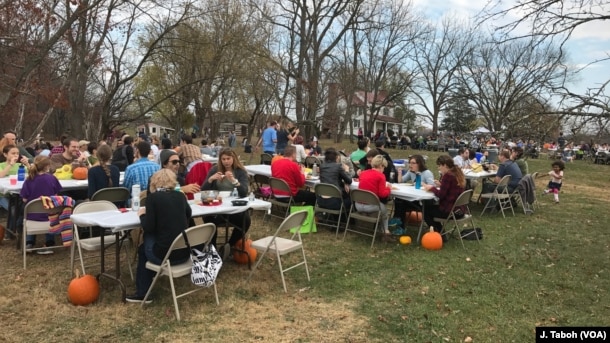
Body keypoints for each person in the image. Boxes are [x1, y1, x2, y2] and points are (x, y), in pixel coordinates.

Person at [126, 169, 192, 303]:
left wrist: (142, 215)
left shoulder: (153, 198)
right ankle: (149, 281)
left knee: (144, 246)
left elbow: (148, 227)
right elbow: (188, 215)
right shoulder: (180, 196)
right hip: (184, 254)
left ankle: (143, 292)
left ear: (154, 183)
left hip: (164, 257)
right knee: (157, 239)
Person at [201, 148, 250, 258]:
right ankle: (212, 249)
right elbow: (203, 191)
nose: (226, 161)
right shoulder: (215, 170)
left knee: (246, 220)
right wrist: (211, 179)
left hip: (232, 207)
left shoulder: (240, 171)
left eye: (228, 158)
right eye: (223, 159)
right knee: (209, 219)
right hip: (217, 206)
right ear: (220, 160)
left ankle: (229, 246)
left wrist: (234, 181)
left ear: (233, 158)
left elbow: (244, 192)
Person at [20, 156, 63, 253]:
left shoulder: (29, 180)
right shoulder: (52, 178)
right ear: (47, 166)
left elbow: (24, 199)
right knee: (51, 212)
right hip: (50, 217)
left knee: (28, 214)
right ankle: (49, 243)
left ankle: (29, 243)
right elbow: (56, 196)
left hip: (32, 217)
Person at [422, 155, 466, 238]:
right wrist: (441, 184)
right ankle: (440, 231)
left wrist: (432, 188)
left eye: (439, 165)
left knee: (426, 211)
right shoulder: (457, 172)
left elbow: (441, 195)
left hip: (450, 211)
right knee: (431, 208)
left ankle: (439, 232)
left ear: (445, 165)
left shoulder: (448, 176)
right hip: (460, 210)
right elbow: (452, 189)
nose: (438, 168)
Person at [356, 155, 393, 242]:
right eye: (384, 167)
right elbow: (382, 194)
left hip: (358, 204)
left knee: (380, 207)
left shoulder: (363, 173)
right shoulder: (381, 176)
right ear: (381, 166)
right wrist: (388, 188)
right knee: (384, 210)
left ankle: (379, 228)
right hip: (370, 205)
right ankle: (385, 232)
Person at [318, 148, 352, 215]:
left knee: (344, 194)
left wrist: (344, 183)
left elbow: (332, 179)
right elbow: (349, 180)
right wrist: (347, 170)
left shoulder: (321, 166)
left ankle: (333, 218)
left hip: (321, 201)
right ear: (336, 157)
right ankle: (347, 221)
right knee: (351, 199)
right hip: (335, 203)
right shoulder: (338, 166)